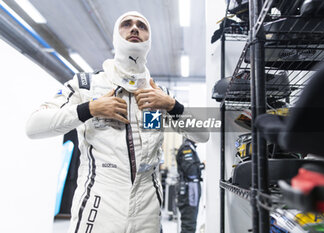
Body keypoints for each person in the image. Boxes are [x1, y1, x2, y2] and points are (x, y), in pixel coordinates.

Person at [26, 11, 209, 233]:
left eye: (142, 25)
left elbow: (203, 135)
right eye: (127, 24)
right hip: (100, 201)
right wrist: (90, 108)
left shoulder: (161, 94)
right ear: (116, 36)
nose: (134, 28)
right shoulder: (86, 85)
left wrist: (172, 106)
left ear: (148, 39)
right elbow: (34, 126)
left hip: (147, 207)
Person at [176, 139, 204, 233]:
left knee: (190, 223)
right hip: (189, 191)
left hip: (190, 190)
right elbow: (191, 171)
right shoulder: (186, 148)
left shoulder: (190, 147)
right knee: (189, 224)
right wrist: (202, 165)